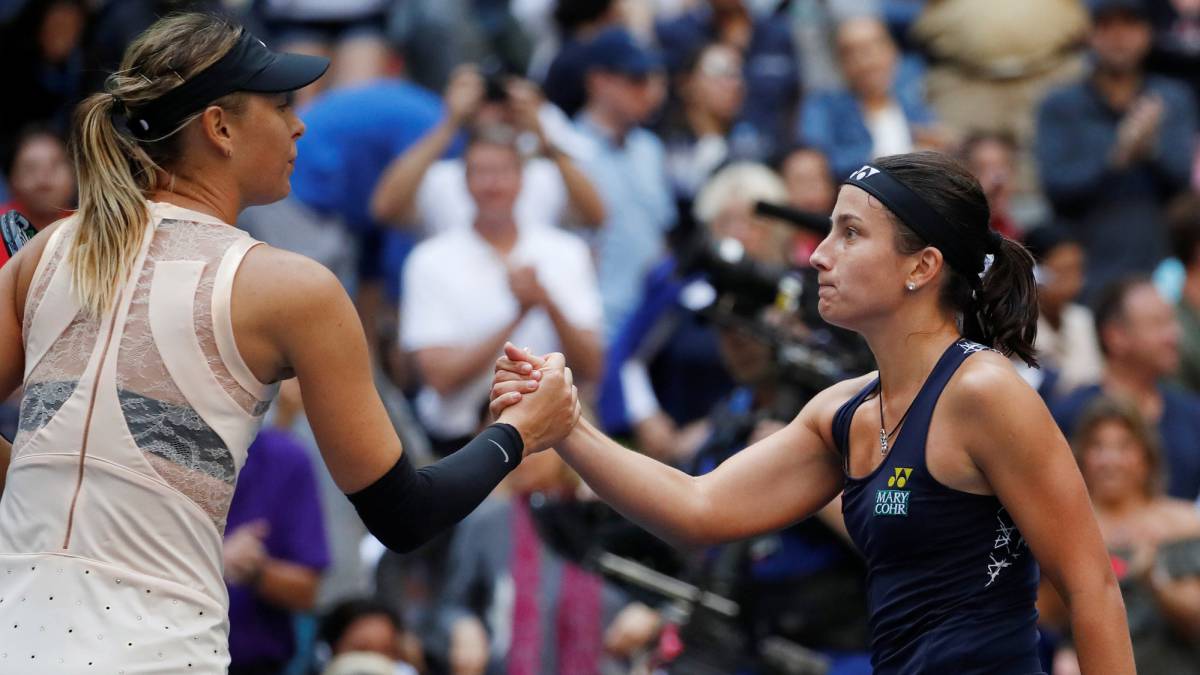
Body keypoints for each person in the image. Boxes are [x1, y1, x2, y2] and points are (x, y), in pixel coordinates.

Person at [0, 13, 578, 672]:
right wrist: (520, 433)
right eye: (281, 106)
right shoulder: (289, 287)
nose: (300, 124)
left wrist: (33, 484)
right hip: (158, 653)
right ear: (219, 127)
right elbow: (405, 514)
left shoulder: (48, 249)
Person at [492, 151, 1134, 673]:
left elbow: (1091, 589)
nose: (820, 254)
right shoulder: (843, 411)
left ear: (922, 266)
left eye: (850, 233)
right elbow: (698, 508)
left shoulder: (984, 393)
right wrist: (568, 426)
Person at [400, 127, 603, 457]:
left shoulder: (567, 251)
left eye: (503, 172)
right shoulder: (429, 261)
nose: (493, 184)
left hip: (554, 441)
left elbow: (592, 366)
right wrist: (518, 314)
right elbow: (439, 377)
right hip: (458, 441)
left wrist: (547, 303)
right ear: (465, 181)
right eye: (481, 172)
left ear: (522, 179)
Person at [1035, 0, 1197, 301]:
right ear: (1090, 34)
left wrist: (1149, 149)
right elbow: (1056, 186)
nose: (1119, 37)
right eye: (1107, 25)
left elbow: (1181, 182)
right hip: (1087, 259)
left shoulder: (1172, 99)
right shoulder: (1060, 103)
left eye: (1130, 25)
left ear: (1148, 32)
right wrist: (1117, 156)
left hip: (1158, 257)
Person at [1046, 396, 1200, 674]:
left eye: (1124, 446)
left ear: (1146, 457)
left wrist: (1156, 579)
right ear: (1081, 457)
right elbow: (1042, 614)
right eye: (1098, 446)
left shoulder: (1184, 522)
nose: (1110, 460)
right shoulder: (1063, 527)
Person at [1051, 276, 1200, 500]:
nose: (1174, 335)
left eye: (1172, 322)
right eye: (1158, 323)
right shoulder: (1069, 416)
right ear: (1115, 336)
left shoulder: (1192, 413)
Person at [224, 423, 331, 674]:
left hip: (256, 664)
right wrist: (213, 560)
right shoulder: (149, 443)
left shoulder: (285, 458)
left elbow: (307, 590)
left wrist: (256, 570)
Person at [797, 16, 952, 181]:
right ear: (840, 63)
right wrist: (895, 157)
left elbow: (937, 143)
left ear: (893, 51)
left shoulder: (912, 99)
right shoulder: (824, 106)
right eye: (851, 53)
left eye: (874, 48)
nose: (866, 61)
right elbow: (819, 162)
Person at [1021, 224, 1104, 399]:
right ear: (1036, 272)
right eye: (1064, 272)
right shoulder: (1015, 327)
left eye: (1078, 269)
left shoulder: (1082, 319)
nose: (1074, 282)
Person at [0, 126, 76, 233]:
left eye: (54, 165)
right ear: (11, 178)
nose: (43, 179)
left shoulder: (93, 230)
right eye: (30, 168)